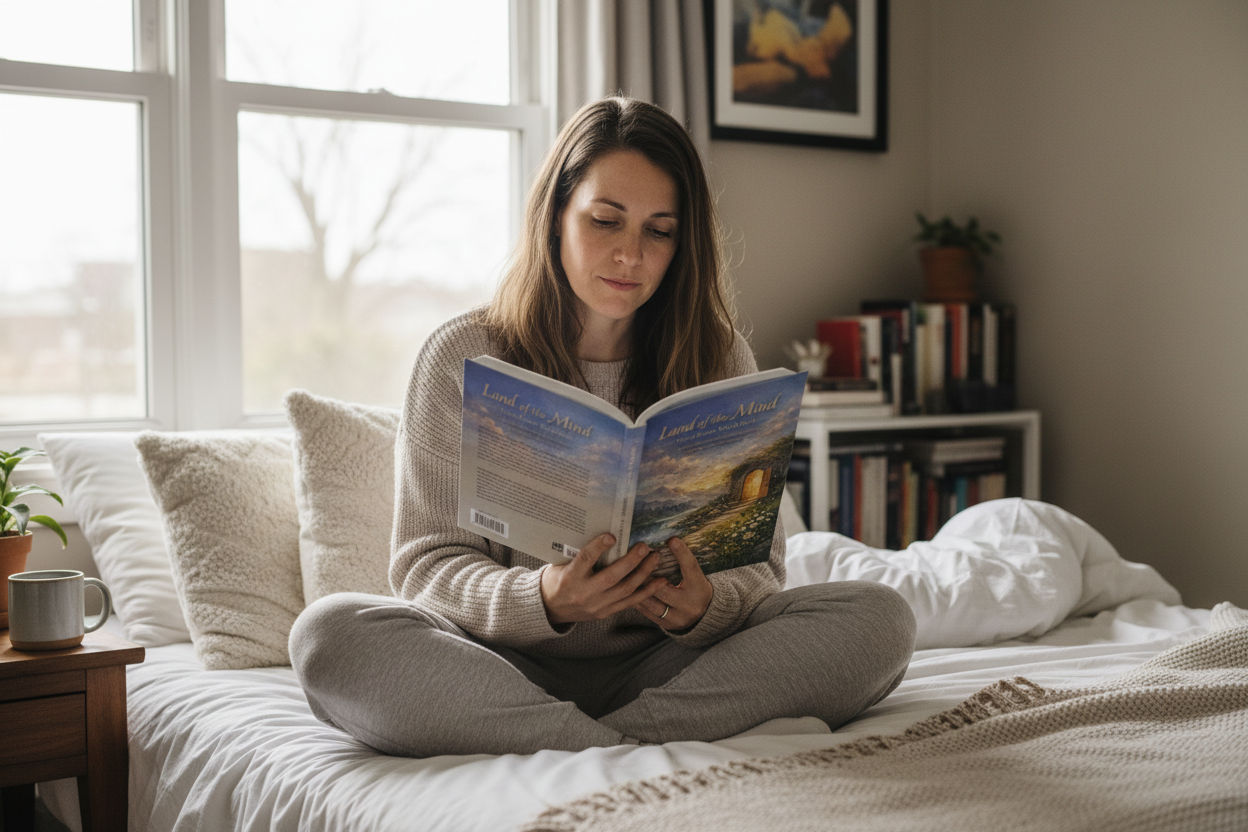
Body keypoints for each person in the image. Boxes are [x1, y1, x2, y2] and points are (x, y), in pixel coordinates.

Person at [289, 97, 915, 757]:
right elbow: (425, 565)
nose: (629, 255)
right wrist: (545, 600)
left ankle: (607, 742)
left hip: (669, 667)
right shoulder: (462, 357)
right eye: (605, 220)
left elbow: (760, 566)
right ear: (556, 215)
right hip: (499, 668)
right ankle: (612, 744)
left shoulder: (719, 355)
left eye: (660, 230)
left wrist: (705, 606)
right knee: (329, 636)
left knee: (880, 621)